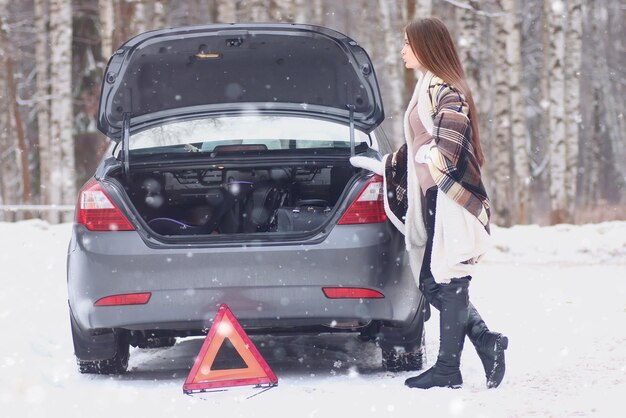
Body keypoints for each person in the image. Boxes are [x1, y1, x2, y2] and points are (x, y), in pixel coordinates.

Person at [350, 17, 508, 389]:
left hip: (448, 195)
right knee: (436, 280)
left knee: (445, 279)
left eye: (407, 43)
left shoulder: (445, 87)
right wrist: (386, 165)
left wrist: (428, 160)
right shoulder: (429, 84)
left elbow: (450, 143)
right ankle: (485, 343)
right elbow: (422, 142)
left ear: (424, 46)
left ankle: (451, 367)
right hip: (434, 193)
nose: (402, 49)